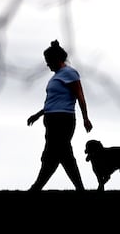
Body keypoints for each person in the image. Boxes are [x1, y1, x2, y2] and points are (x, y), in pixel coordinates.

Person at [25, 40, 92, 190]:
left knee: (58, 153)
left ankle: (37, 187)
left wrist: (85, 118)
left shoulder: (70, 73)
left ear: (56, 59)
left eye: (48, 61)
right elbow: (52, 102)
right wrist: (38, 115)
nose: (47, 65)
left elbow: (80, 96)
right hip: (51, 119)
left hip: (63, 119)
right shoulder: (56, 77)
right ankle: (39, 187)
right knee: (55, 154)